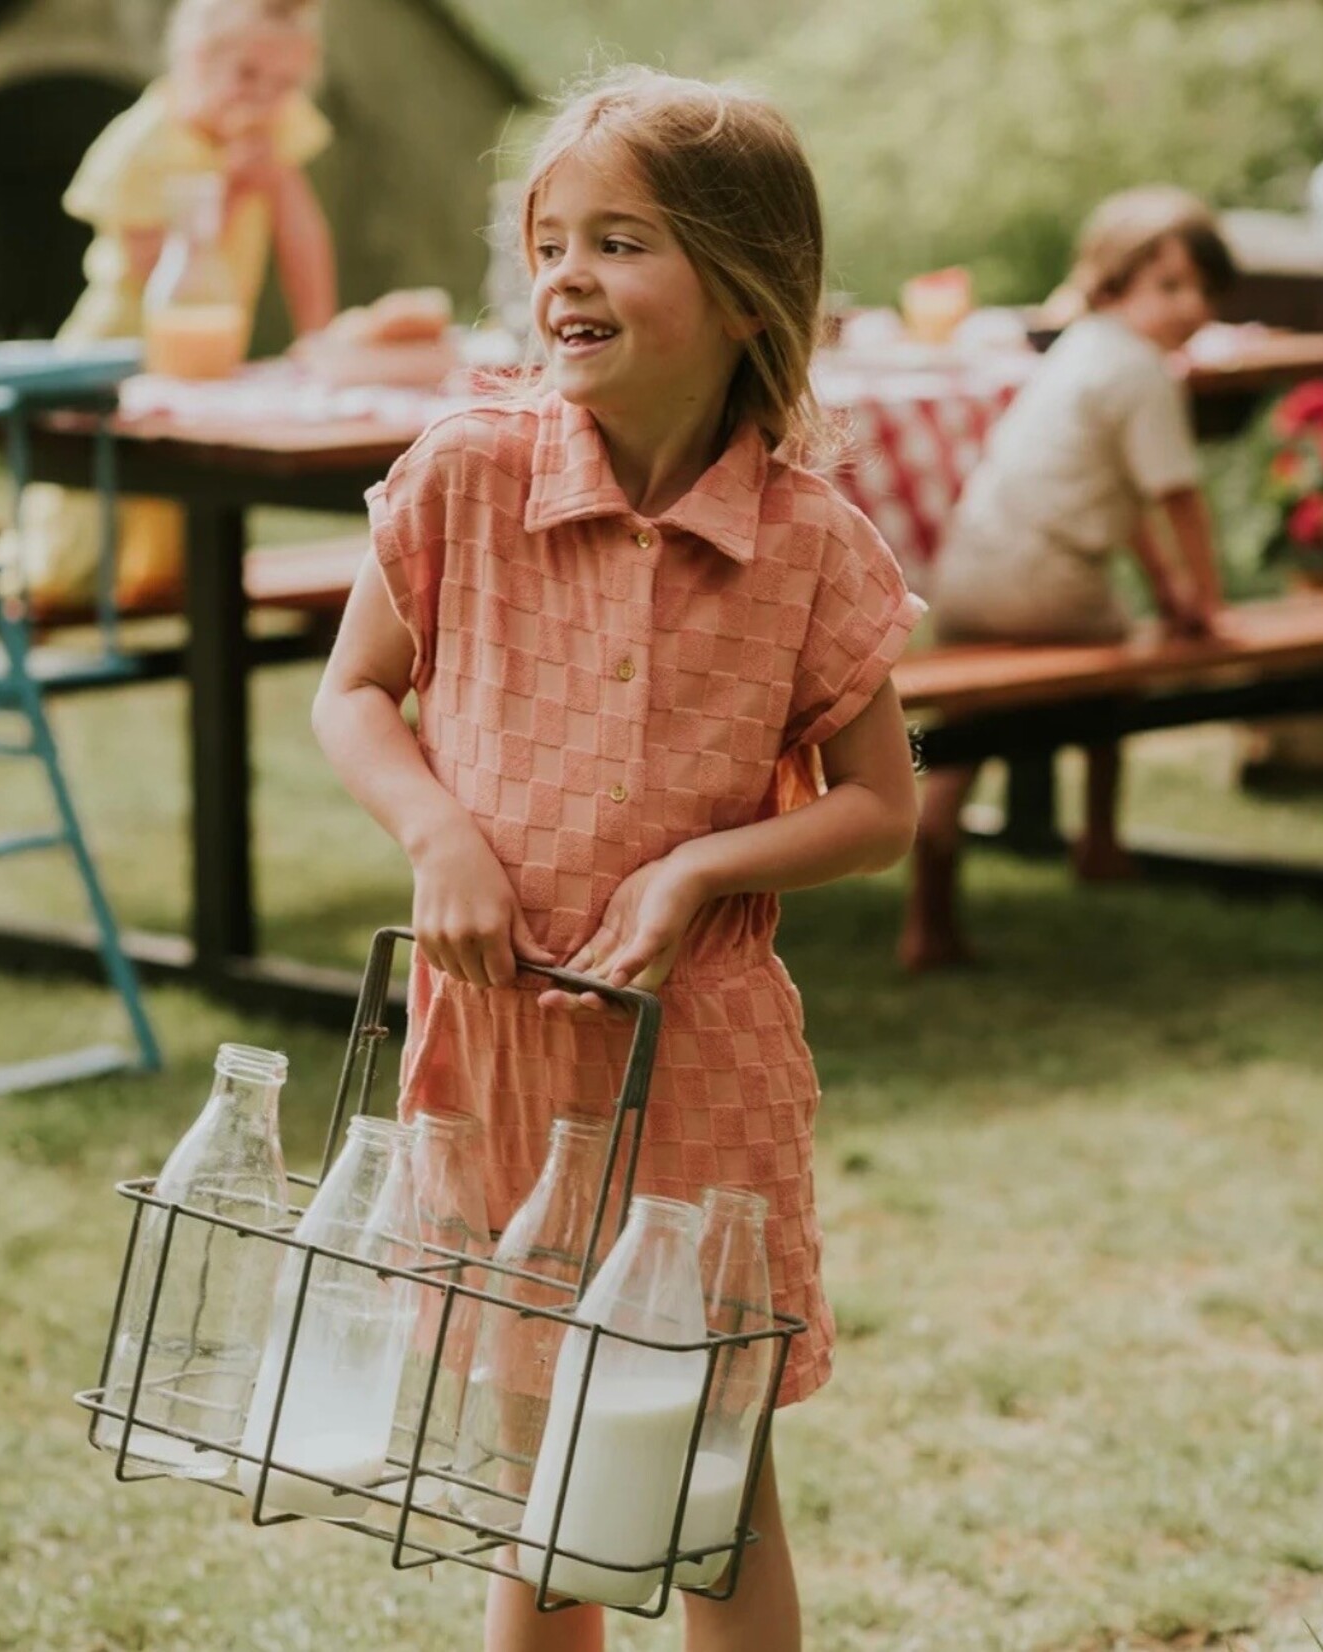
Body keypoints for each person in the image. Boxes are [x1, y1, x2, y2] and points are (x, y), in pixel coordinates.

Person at [312, 66, 922, 1652]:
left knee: (706, 1492)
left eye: (623, 240)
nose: (566, 275)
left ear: (744, 289)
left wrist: (700, 870)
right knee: (548, 1495)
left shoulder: (810, 547)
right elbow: (355, 694)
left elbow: (879, 806)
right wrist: (435, 829)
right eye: (551, 240)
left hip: (699, 1062)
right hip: (507, 1049)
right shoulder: (468, 474)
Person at [905, 186, 1237, 971]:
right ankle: (1099, 840)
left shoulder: (1081, 348)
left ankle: (926, 920)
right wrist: (1208, 605)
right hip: (1047, 583)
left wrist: (1166, 592)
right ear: (1113, 282)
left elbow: (1115, 502)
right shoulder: (1141, 372)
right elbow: (1177, 499)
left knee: (960, 738)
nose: (1191, 306)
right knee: (1115, 676)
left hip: (967, 576)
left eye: (1204, 289)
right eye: (1169, 286)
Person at [8, 0, 337, 608]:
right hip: (119, 342)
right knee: (86, 490)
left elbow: (301, 235)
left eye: (284, 85)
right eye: (246, 77)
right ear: (194, 60)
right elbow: (150, 267)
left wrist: (318, 332)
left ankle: (163, 586)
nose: (264, 99)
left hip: (205, 346)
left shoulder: (273, 134)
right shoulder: (143, 143)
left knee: (179, 491)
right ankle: (43, 577)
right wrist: (234, 188)